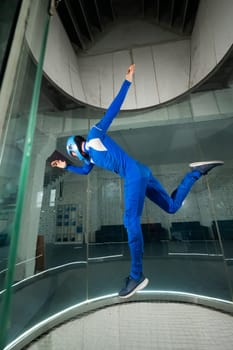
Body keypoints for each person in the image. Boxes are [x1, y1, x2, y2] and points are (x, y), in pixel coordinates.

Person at [51, 64, 224, 298]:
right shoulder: (90, 157)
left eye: (71, 154)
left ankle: (136, 276)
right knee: (171, 208)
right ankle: (196, 172)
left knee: (130, 220)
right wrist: (67, 167)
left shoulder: (94, 137)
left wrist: (127, 81)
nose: (73, 157)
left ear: (75, 148)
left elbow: (112, 110)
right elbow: (84, 172)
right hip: (142, 172)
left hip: (133, 174)